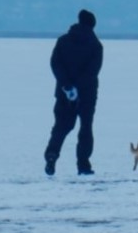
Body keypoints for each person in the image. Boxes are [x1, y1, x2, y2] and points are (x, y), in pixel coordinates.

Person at [44, 9, 104, 176]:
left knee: (61, 127)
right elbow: (93, 71)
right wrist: (78, 87)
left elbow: (55, 64)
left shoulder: (63, 41)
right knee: (85, 128)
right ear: (92, 25)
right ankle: (83, 165)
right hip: (87, 95)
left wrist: (67, 86)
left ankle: (51, 155)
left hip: (64, 93)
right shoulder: (96, 45)